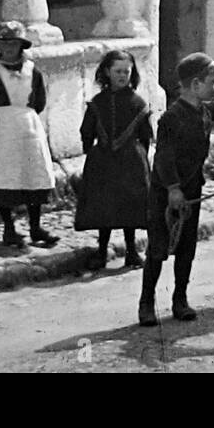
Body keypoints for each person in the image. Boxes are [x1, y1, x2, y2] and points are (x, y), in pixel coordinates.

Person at [138, 52, 214, 327]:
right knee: (159, 249)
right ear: (195, 85)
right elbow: (164, 158)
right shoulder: (171, 118)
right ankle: (146, 304)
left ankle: (179, 300)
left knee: (186, 248)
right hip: (166, 194)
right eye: (212, 81)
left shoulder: (203, 112)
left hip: (192, 191)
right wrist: (173, 188)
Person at [0, 21, 60, 248]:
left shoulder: (32, 72)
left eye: (13, 44)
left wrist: (24, 115)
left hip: (28, 128)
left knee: (33, 173)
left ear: (21, 46)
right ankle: (9, 228)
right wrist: (0, 119)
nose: (8, 48)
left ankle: (36, 227)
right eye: (3, 44)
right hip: (3, 129)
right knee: (3, 174)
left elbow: (39, 101)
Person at [74, 50, 151, 270]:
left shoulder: (138, 103)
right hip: (103, 162)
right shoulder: (97, 103)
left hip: (130, 163)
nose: (122, 76)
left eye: (126, 71)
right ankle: (102, 250)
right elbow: (86, 132)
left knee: (130, 206)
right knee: (103, 206)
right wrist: (91, 153)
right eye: (117, 71)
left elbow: (145, 135)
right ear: (107, 72)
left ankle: (131, 251)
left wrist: (141, 158)